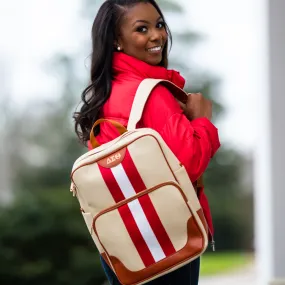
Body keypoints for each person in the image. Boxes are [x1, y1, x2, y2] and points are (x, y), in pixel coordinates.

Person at [73, 0, 220, 284]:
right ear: (116, 39)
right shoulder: (152, 94)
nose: (157, 36)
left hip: (124, 249)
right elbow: (189, 163)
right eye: (142, 29)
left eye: (159, 25)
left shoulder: (107, 93)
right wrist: (202, 121)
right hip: (167, 244)